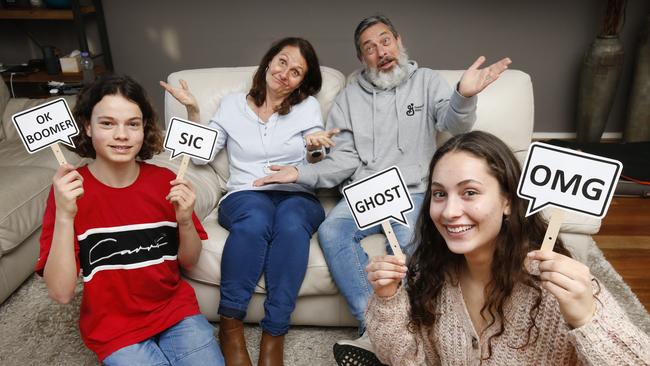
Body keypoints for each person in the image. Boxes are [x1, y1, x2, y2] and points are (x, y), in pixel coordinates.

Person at [253, 15, 512, 363]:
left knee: (415, 245)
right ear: (362, 59)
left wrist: (463, 95)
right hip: (364, 191)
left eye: (385, 40)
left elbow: (454, 123)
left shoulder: (426, 81)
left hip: (415, 189)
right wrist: (299, 173)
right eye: (369, 48)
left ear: (398, 41)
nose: (381, 51)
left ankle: (417, 327)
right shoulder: (348, 98)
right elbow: (341, 160)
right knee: (331, 231)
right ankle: (375, 329)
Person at [365, 130, 650, 365]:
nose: (449, 211)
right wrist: (387, 300)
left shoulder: (561, 288)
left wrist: (587, 319)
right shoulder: (428, 276)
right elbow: (405, 360)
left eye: (470, 192)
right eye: (440, 194)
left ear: (508, 201)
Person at [35, 75, 224, 365]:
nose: (121, 135)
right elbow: (61, 293)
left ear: (144, 128)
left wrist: (185, 220)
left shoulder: (166, 182)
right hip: (113, 327)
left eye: (132, 124)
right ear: (87, 126)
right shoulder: (68, 192)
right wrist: (64, 216)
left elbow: (189, 260)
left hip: (174, 310)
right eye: (107, 123)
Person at [160, 37, 326, 366]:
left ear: (301, 82)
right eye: (282, 62)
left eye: (296, 72)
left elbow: (318, 155)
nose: (285, 73)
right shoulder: (233, 105)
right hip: (245, 194)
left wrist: (314, 150)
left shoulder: (307, 108)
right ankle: (231, 325)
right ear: (268, 63)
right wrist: (193, 111)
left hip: (297, 193)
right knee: (257, 218)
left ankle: (274, 333)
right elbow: (202, 153)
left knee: (292, 224)